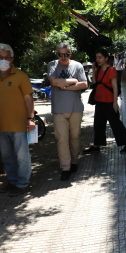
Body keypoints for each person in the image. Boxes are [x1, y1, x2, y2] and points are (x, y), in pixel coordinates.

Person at [0, 43, 36, 197]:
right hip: (0, 125)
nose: (4, 60)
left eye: (7, 57)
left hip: (19, 124)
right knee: (7, 157)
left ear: (12, 59)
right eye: (0, 57)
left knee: (22, 156)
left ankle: (23, 184)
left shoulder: (21, 76)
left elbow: (29, 99)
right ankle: (13, 182)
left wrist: (31, 119)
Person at [47, 43, 88, 181]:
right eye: (60, 54)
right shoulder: (52, 65)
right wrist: (73, 81)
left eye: (66, 54)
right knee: (62, 139)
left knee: (75, 137)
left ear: (70, 54)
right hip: (59, 110)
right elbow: (54, 82)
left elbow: (84, 84)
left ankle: (74, 161)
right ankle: (66, 167)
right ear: (57, 54)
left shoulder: (77, 66)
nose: (63, 57)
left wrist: (65, 87)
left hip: (75, 108)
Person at [84, 49, 126, 154]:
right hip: (99, 101)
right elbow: (94, 83)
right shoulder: (97, 70)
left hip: (109, 102)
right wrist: (93, 70)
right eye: (96, 57)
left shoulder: (111, 70)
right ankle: (96, 145)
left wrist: (115, 102)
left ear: (106, 58)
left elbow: (115, 86)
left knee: (115, 124)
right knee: (98, 124)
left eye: (100, 57)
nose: (98, 59)